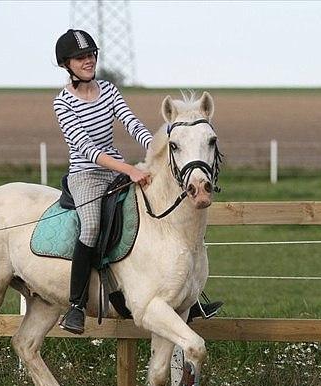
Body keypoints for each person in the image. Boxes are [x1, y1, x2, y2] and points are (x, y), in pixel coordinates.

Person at [53, 29, 222, 335]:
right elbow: (87, 149)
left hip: (118, 170)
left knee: (158, 212)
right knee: (91, 226)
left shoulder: (109, 91)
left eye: (91, 54)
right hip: (86, 175)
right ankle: (76, 304)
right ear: (67, 64)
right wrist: (129, 170)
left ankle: (188, 295)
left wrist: (156, 151)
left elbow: (132, 124)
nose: (88, 61)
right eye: (81, 57)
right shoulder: (63, 103)